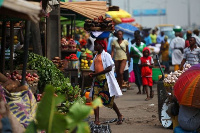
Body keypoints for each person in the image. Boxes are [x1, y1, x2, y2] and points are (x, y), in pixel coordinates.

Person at [89, 39, 123, 125]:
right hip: (97, 80)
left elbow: (109, 68)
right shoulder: (96, 56)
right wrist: (92, 74)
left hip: (105, 80)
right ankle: (97, 120)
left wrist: (96, 74)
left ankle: (119, 115)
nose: (95, 46)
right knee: (95, 98)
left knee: (109, 100)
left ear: (101, 45)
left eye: (96, 44)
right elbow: (94, 68)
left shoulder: (106, 55)